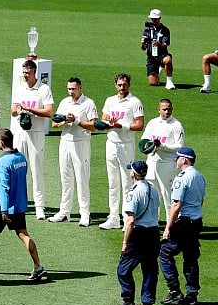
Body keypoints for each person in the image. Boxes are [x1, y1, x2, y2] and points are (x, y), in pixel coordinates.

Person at [0, 128, 47, 281]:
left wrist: (4, 210)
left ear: (1, 142)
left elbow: (4, 187)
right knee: (23, 234)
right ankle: (38, 266)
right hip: (19, 203)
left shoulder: (3, 161)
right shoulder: (21, 158)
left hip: (4, 204)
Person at [159, 146, 205, 305]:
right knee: (191, 258)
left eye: (177, 157)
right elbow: (201, 200)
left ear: (184, 160)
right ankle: (192, 294)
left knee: (164, 252)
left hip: (184, 222)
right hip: (196, 221)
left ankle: (174, 291)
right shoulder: (200, 176)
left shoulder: (181, 178)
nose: (176, 159)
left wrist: (167, 228)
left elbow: (176, 205)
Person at [100, 73, 145, 229]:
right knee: (112, 182)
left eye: (124, 85)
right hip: (111, 143)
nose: (121, 87)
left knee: (127, 183)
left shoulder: (134, 102)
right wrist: (108, 123)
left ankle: (127, 218)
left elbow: (139, 125)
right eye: (119, 85)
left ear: (129, 85)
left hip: (126, 145)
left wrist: (122, 126)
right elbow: (104, 119)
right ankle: (113, 217)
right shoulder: (110, 101)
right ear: (115, 85)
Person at [114, 160, 160, 305]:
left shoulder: (133, 192)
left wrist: (125, 241)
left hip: (138, 234)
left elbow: (131, 220)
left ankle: (128, 302)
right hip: (153, 233)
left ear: (134, 173)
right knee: (150, 270)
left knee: (123, 270)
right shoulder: (153, 190)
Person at [50, 76, 97, 225]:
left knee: (82, 179)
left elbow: (94, 126)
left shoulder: (88, 103)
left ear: (80, 88)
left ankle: (84, 213)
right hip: (65, 142)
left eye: (73, 89)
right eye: (69, 89)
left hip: (81, 143)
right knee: (65, 178)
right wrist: (66, 121)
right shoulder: (64, 102)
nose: (71, 92)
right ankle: (64, 211)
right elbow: (54, 124)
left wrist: (76, 121)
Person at [10, 59, 54, 220]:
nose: (25, 75)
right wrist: (19, 111)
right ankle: (18, 203)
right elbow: (13, 110)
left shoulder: (43, 89)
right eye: (23, 72)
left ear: (34, 72)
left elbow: (49, 112)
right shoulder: (20, 88)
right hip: (21, 133)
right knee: (19, 170)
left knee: (37, 170)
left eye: (27, 73)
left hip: (36, 133)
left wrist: (31, 110)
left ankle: (39, 207)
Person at [143, 99, 185, 220]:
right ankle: (152, 224)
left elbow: (179, 146)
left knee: (168, 196)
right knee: (151, 196)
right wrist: (146, 146)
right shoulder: (153, 123)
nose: (167, 111)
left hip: (167, 164)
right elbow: (145, 139)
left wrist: (162, 146)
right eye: (164, 109)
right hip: (151, 162)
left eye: (169, 109)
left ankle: (170, 226)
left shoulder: (176, 125)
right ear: (159, 110)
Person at [142, 9, 173, 88]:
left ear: (159, 18)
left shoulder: (165, 30)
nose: (154, 20)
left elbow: (165, 45)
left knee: (168, 60)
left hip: (162, 55)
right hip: (151, 58)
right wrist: (143, 43)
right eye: (152, 19)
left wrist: (158, 44)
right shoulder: (147, 30)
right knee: (153, 83)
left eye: (156, 19)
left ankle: (169, 82)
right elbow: (143, 48)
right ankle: (158, 70)